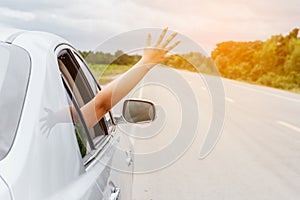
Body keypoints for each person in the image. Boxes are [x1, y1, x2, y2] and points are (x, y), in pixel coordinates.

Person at [78, 27, 180, 128]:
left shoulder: (64, 119)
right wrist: (144, 63)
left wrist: (145, 63)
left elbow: (101, 105)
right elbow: (100, 105)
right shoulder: (69, 120)